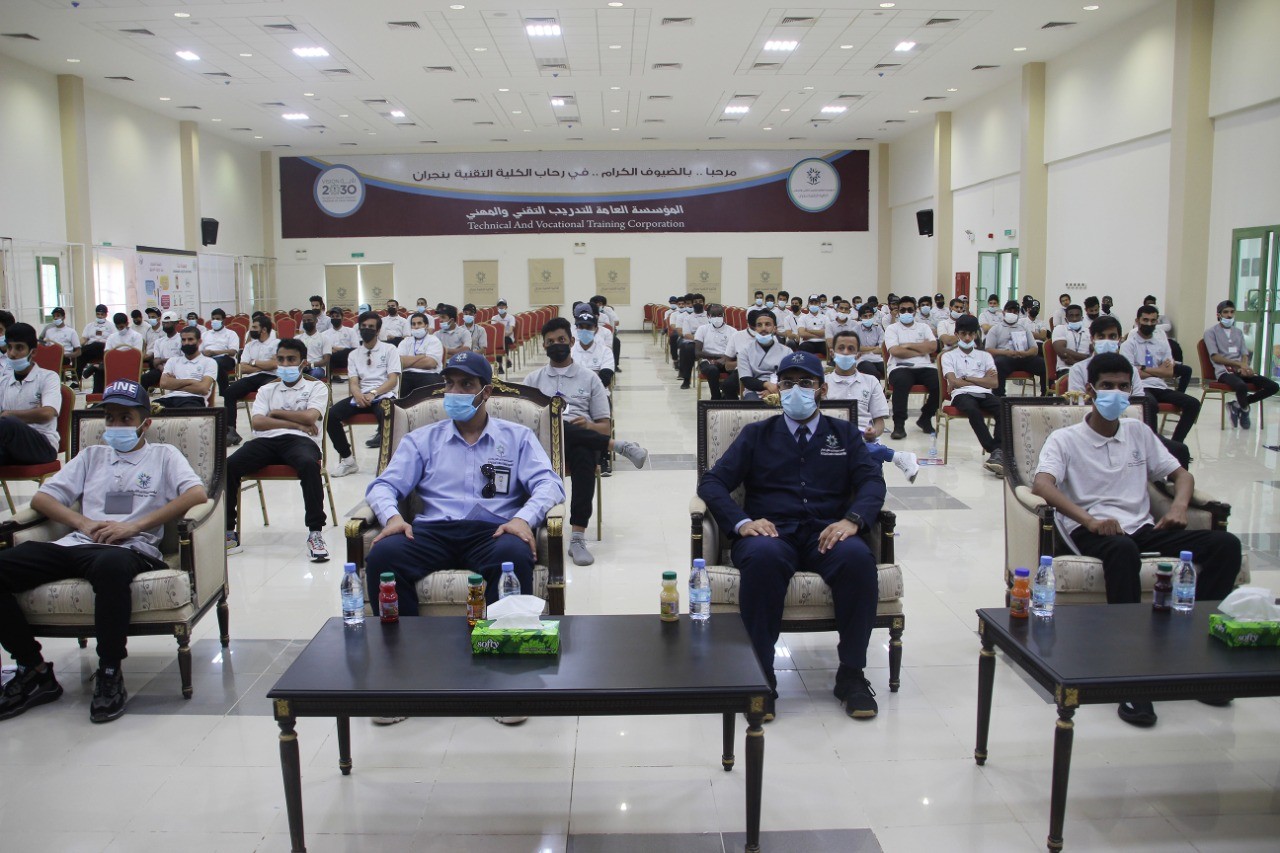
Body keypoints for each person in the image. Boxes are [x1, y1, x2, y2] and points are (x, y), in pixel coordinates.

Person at [1032, 352, 1242, 728]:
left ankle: (1197, 653)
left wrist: (1178, 507)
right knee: (1122, 550)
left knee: (1226, 546)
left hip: (1141, 528)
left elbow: (1181, 475)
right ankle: (1130, 673)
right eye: (1107, 386)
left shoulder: (1137, 432)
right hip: (1090, 529)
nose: (1115, 393)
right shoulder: (1065, 439)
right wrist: (1090, 520)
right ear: (1090, 390)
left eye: (1122, 386)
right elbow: (1043, 485)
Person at [0, 378, 207, 723]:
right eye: (110, 418)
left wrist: (134, 526)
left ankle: (110, 671)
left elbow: (196, 494)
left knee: (110, 567)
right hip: (78, 544)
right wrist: (81, 523)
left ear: (145, 423)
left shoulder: (163, 456)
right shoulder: (91, 456)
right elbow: (43, 499)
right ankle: (33, 669)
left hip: (130, 548)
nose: (116, 425)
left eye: (126, 418)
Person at [698, 350, 886, 721]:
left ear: (822, 389)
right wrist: (741, 522)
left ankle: (851, 675)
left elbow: (871, 481)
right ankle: (761, 675)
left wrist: (853, 520)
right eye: (787, 383)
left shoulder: (844, 434)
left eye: (805, 383)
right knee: (763, 560)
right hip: (771, 532)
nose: (795, 390)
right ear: (778, 389)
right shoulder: (757, 434)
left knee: (857, 560)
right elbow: (713, 482)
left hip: (826, 532)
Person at [363, 349, 565, 613]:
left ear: (486, 392)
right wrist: (392, 517)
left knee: (514, 555)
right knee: (383, 556)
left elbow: (549, 484)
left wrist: (523, 519)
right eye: (450, 384)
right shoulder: (422, 440)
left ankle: (501, 637)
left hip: (493, 532)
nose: (455, 392)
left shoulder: (518, 438)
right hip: (433, 531)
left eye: (466, 384)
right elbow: (384, 485)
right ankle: (404, 638)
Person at [524, 318, 648, 566]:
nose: (556, 345)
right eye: (550, 341)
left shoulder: (590, 378)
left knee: (582, 454)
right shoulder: (533, 380)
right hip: (544, 445)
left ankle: (577, 538)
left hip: (581, 443)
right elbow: (525, 425)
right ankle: (618, 446)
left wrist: (588, 426)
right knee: (555, 423)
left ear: (571, 341)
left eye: (561, 340)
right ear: (544, 346)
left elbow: (604, 426)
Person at [224, 339, 330, 561]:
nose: (285, 364)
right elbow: (258, 423)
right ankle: (228, 532)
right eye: (281, 359)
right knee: (230, 465)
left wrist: (276, 413)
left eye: (291, 359)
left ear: (303, 363)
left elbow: (310, 417)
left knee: (309, 465)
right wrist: (296, 424)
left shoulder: (316, 387)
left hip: (301, 441)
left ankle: (315, 532)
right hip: (267, 441)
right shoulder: (266, 389)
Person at [825, 331, 918, 482]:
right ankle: (895, 456)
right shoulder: (823, 383)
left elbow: (879, 422)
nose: (845, 352)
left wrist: (874, 432)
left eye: (851, 349)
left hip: (865, 438)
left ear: (858, 354)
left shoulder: (871, 382)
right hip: (832, 441)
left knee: (870, 474)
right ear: (832, 352)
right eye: (841, 348)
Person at [329, 311, 401, 475]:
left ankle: (389, 462)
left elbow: (392, 381)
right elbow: (353, 382)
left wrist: (374, 393)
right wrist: (357, 395)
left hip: (383, 395)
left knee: (388, 413)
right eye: (363, 326)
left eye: (371, 327)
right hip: (361, 397)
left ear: (378, 330)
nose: (366, 329)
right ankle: (348, 460)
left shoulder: (390, 349)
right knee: (331, 416)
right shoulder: (354, 354)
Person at [1121, 306, 1201, 443]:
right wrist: (1158, 371)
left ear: (1157, 322)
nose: (1149, 324)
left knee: (1193, 404)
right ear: (1137, 321)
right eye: (1145, 320)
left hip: (1160, 387)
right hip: (1140, 387)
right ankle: (1153, 445)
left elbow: (1169, 372)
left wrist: (1143, 368)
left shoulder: (1162, 344)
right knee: (1150, 404)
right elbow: (1131, 374)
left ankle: (1176, 443)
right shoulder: (1128, 345)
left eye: (1153, 320)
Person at [940, 316, 1005, 474]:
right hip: (961, 394)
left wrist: (967, 378)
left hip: (985, 393)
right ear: (957, 334)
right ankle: (995, 450)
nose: (967, 338)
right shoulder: (948, 356)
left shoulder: (985, 356)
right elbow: (953, 382)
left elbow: (994, 383)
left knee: (1003, 408)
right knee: (972, 409)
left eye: (971, 334)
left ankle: (998, 451)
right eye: (963, 334)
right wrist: (982, 380)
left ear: (976, 334)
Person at [1203, 300, 1278, 429]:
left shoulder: (1238, 332)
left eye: (1232, 312)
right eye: (1226, 312)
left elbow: (1244, 354)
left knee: (1273, 386)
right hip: (1224, 372)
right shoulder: (1210, 333)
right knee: (1241, 386)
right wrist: (1238, 364)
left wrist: (1245, 366)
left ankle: (1237, 405)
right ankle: (1245, 410)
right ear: (1219, 315)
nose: (1229, 315)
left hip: (1240, 370)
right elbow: (1215, 356)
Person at [0, 323, 62, 467]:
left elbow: (47, 413)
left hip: (42, 445)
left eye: (19, 348)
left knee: (9, 423)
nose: (12, 353)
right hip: (11, 447)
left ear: (33, 352)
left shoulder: (48, 377)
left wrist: (9, 415)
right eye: (9, 347)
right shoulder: (4, 382)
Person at [884, 295, 939, 440]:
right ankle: (899, 425)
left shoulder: (924, 327)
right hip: (899, 366)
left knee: (940, 383)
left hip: (924, 366)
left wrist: (907, 345)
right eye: (903, 310)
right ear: (898, 311)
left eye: (910, 309)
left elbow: (933, 347)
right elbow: (895, 351)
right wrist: (921, 349)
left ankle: (925, 418)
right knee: (901, 382)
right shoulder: (892, 329)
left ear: (915, 311)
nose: (906, 312)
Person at [224, 316, 280, 446]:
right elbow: (243, 367)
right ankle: (230, 431)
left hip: (271, 377)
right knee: (229, 392)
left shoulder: (277, 344)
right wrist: (264, 365)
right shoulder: (249, 346)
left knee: (267, 391)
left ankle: (268, 430)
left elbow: (274, 365)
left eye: (254, 327)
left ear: (264, 329)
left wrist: (253, 362)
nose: (251, 330)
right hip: (252, 377)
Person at [984, 300, 1047, 396]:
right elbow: (989, 349)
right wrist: (1006, 353)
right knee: (998, 363)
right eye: (1010, 311)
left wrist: (1026, 353)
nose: (1012, 313)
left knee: (1043, 364)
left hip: (1023, 357)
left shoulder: (1023, 328)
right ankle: (999, 396)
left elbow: (1034, 349)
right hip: (1005, 358)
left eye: (1015, 312)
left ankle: (1046, 395)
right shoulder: (995, 329)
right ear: (1004, 312)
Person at [156, 326, 216, 409]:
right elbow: (163, 384)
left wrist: (174, 384)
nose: (186, 343)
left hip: (194, 399)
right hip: (169, 398)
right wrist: (192, 381)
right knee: (150, 408)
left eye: (190, 339)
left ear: (199, 341)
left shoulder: (209, 362)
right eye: (183, 340)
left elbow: (203, 388)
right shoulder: (172, 361)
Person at [737, 310, 788, 400]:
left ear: (774, 328)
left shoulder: (786, 351)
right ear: (755, 329)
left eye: (767, 324)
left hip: (781, 390)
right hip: (754, 391)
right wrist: (766, 385)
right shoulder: (745, 351)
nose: (763, 328)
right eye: (759, 325)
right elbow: (746, 379)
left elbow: (789, 378)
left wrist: (773, 390)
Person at [696, 304, 739, 400]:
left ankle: (729, 396)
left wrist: (724, 359)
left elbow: (737, 352)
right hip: (707, 361)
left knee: (736, 370)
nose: (717, 318)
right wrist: (717, 357)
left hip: (727, 360)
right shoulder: (702, 329)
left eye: (719, 315)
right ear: (709, 316)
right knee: (712, 370)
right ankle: (716, 398)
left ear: (724, 315)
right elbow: (697, 352)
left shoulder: (733, 331)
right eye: (714, 315)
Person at [397, 311, 444, 397]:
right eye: (413, 324)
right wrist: (422, 357)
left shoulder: (434, 340)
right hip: (406, 375)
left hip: (429, 374)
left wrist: (408, 360)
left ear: (426, 325)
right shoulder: (405, 341)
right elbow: (399, 362)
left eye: (419, 323)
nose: (416, 326)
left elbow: (430, 363)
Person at [201, 308, 241, 397]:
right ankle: (225, 392)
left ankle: (223, 391)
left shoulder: (231, 334)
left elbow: (233, 351)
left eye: (218, 319)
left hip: (226, 359)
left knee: (216, 363)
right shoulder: (205, 334)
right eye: (213, 318)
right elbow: (199, 350)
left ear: (223, 320)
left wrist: (215, 352)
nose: (215, 321)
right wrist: (204, 352)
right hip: (207, 359)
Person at [676, 294, 710, 388]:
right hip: (694, 342)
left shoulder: (710, 316)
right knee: (686, 349)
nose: (698, 304)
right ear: (692, 303)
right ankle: (686, 380)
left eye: (700, 302)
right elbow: (686, 334)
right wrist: (699, 339)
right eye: (695, 302)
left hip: (709, 341)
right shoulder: (688, 318)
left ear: (704, 303)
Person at [40, 306, 81, 382]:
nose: (55, 318)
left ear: (63, 317)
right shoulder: (49, 331)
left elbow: (78, 351)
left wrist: (68, 355)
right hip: (50, 355)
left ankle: (57, 380)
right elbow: (45, 346)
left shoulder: (71, 331)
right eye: (54, 316)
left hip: (64, 357)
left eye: (58, 316)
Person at [1050, 304, 1091, 378]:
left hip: (1087, 369)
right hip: (1066, 369)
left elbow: (1095, 354)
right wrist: (1087, 357)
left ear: (1082, 318)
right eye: (1071, 316)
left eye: (1077, 315)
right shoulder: (1060, 329)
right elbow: (1062, 351)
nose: (1074, 319)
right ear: (1066, 319)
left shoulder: (1089, 332)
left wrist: (1074, 361)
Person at [320, 306, 359, 381]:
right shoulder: (324, 334)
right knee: (327, 354)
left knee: (351, 351)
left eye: (337, 316)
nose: (335, 318)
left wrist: (338, 349)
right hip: (331, 358)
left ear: (342, 317)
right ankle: (329, 380)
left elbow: (355, 348)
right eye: (333, 317)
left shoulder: (350, 331)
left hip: (347, 358)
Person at [78, 303, 112, 382]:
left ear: (106, 315)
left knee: (96, 344)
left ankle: (90, 369)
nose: (100, 316)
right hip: (91, 350)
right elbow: (84, 338)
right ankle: (76, 379)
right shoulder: (89, 326)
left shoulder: (111, 326)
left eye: (102, 314)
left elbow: (114, 340)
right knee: (79, 354)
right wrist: (77, 346)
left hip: (104, 350)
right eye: (98, 314)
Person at [295, 310, 331, 379]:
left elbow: (326, 360)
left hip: (316, 367)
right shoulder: (297, 339)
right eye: (304, 321)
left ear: (316, 321)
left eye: (309, 320)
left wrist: (310, 365)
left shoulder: (324, 338)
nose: (306, 322)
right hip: (300, 367)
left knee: (315, 374)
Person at [854, 303, 886, 378]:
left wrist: (863, 351)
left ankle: (886, 387)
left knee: (889, 371)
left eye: (870, 315)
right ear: (860, 317)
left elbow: (882, 349)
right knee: (874, 373)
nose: (868, 318)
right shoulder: (855, 330)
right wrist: (875, 348)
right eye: (865, 316)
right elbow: (856, 348)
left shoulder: (878, 328)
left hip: (878, 359)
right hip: (862, 360)